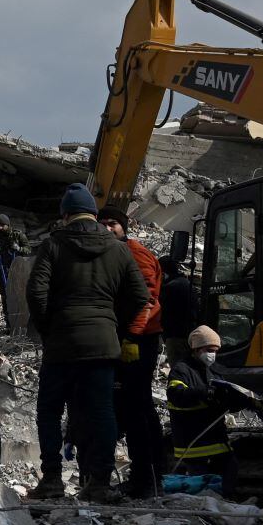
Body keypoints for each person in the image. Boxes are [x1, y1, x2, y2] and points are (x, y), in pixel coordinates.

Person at [27, 185, 149, 502]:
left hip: (62, 343)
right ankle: (100, 483)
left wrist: (48, 329)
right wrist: (114, 326)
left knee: (50, 411)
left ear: (65, 215)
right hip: (103, 345)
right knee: (101, 412)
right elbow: (140, 297)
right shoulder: (120, 249)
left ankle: (52, 479)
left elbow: (36, 293)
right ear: (95, 215)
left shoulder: (53, 245)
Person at [99, 206, 166, 499]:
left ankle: (145, 478)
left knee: (135, 407)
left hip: (138, 340)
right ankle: (151, 474)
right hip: (129, 338)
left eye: (112, 223)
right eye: (102, 224)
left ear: (124, 226)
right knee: (137, 406)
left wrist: (131, 338)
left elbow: (147, 299)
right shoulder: (115, 253)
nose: (107, 228)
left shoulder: (134, 253)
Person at [167, 326, 263, 491]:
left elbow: (224, 400)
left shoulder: (213, 371)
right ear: (196, 348)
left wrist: (251, 405)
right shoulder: (181, 370)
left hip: (215, 439)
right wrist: (205, 392)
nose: (213, 354)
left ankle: (223, 503)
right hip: (193, 442)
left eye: (216, 351)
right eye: (209, 350)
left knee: (229, 471)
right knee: (201, 485)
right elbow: (177, 396)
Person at [158, 255, 199, 363]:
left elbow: (162, 311)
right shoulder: (186, 283)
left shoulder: (170, 287)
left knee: (177, 367)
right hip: (188, 332)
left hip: (176, 336)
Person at [0, 215, 26, 332]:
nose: (0, 228)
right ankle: (9, 324)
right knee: (5, 297)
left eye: (2, 225)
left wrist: (19, 248)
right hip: (3, 271)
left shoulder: (17, 235)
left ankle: (22, 322)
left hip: (17, 271)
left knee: (19, 295)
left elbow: (28, 250)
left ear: (8, 224)